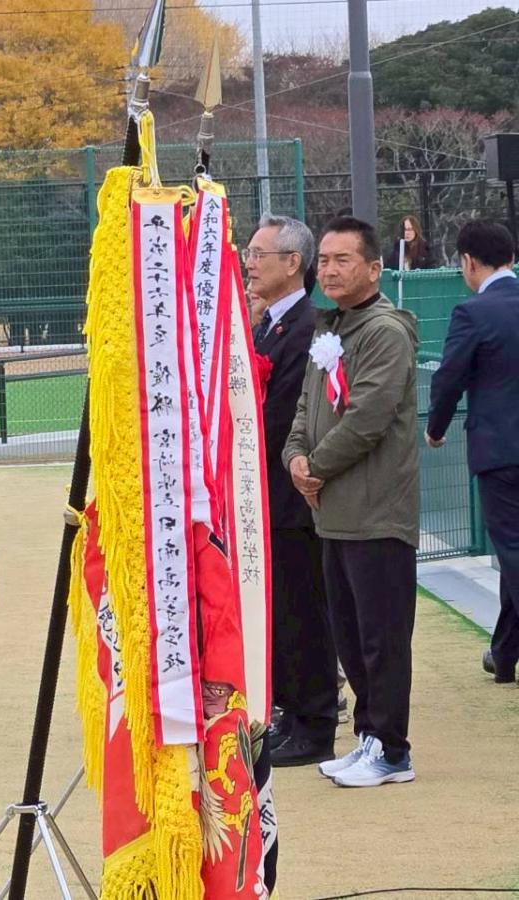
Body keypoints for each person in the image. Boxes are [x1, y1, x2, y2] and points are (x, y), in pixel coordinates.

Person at [283, 216, 420, 788]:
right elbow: (304, 410)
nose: (332, 270)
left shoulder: (384, 331)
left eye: (345, 260)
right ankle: (368, 737)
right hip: (333, 513)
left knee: (381, 637)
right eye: (328, 260)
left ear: (373, 268)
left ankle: (391, 748)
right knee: (349, 635)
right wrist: (295, 457)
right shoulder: (329, 327)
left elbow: (367, 418)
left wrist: (315, 466)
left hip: (376, 513)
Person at [243, 215, 339, 767]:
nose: (250, 263)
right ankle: (292, 711)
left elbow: (278, 417)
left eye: (260, 254)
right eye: (250, 253)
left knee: (303, 611)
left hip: (290, 497)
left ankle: (315, 721)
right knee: (282, 611)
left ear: (292, 263)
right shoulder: (270, 324)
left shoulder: (306, 328)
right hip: (268, 499)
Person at [425, 220, 519, 685]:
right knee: (513, 552)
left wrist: (436, 429)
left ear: (468, 262)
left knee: (514, 550)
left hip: (501, 453)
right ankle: (504, 654)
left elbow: (448, 377)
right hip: (504, 449)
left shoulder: (473, 313)